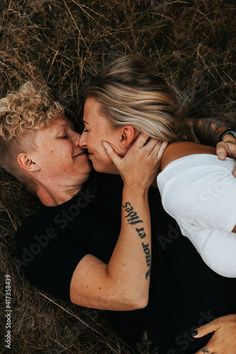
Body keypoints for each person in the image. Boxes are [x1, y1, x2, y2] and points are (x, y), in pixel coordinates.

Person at [1, 82, 236, 354]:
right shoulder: (38, 239)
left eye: (80, 129)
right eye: (63, 135)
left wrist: (227, 134)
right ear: (29, 163)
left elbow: (173, 125)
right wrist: (134, 186)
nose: (80, 139)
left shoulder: (111, 162)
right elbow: (127, 294)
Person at [80, 55, 236, 279]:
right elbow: (190, 123)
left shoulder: (181, 184)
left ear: (125, 135)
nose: (80, 141)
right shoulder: (179, 159)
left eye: (87, 129)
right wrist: (228, 133)